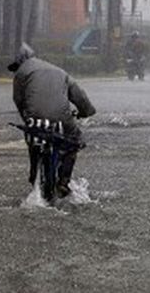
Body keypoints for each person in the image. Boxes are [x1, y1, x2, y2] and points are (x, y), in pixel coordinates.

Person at [8, 43, 96, 197]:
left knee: (33, 140)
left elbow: (18, 100)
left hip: (35, 119)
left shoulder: (21, 73)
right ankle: (63, 181)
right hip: (62, 118)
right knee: (74, 142)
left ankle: (34, 174)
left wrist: (27, 119)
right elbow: (79, 96)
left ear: (20, 61)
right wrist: (86, 111)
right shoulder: (59, 71)